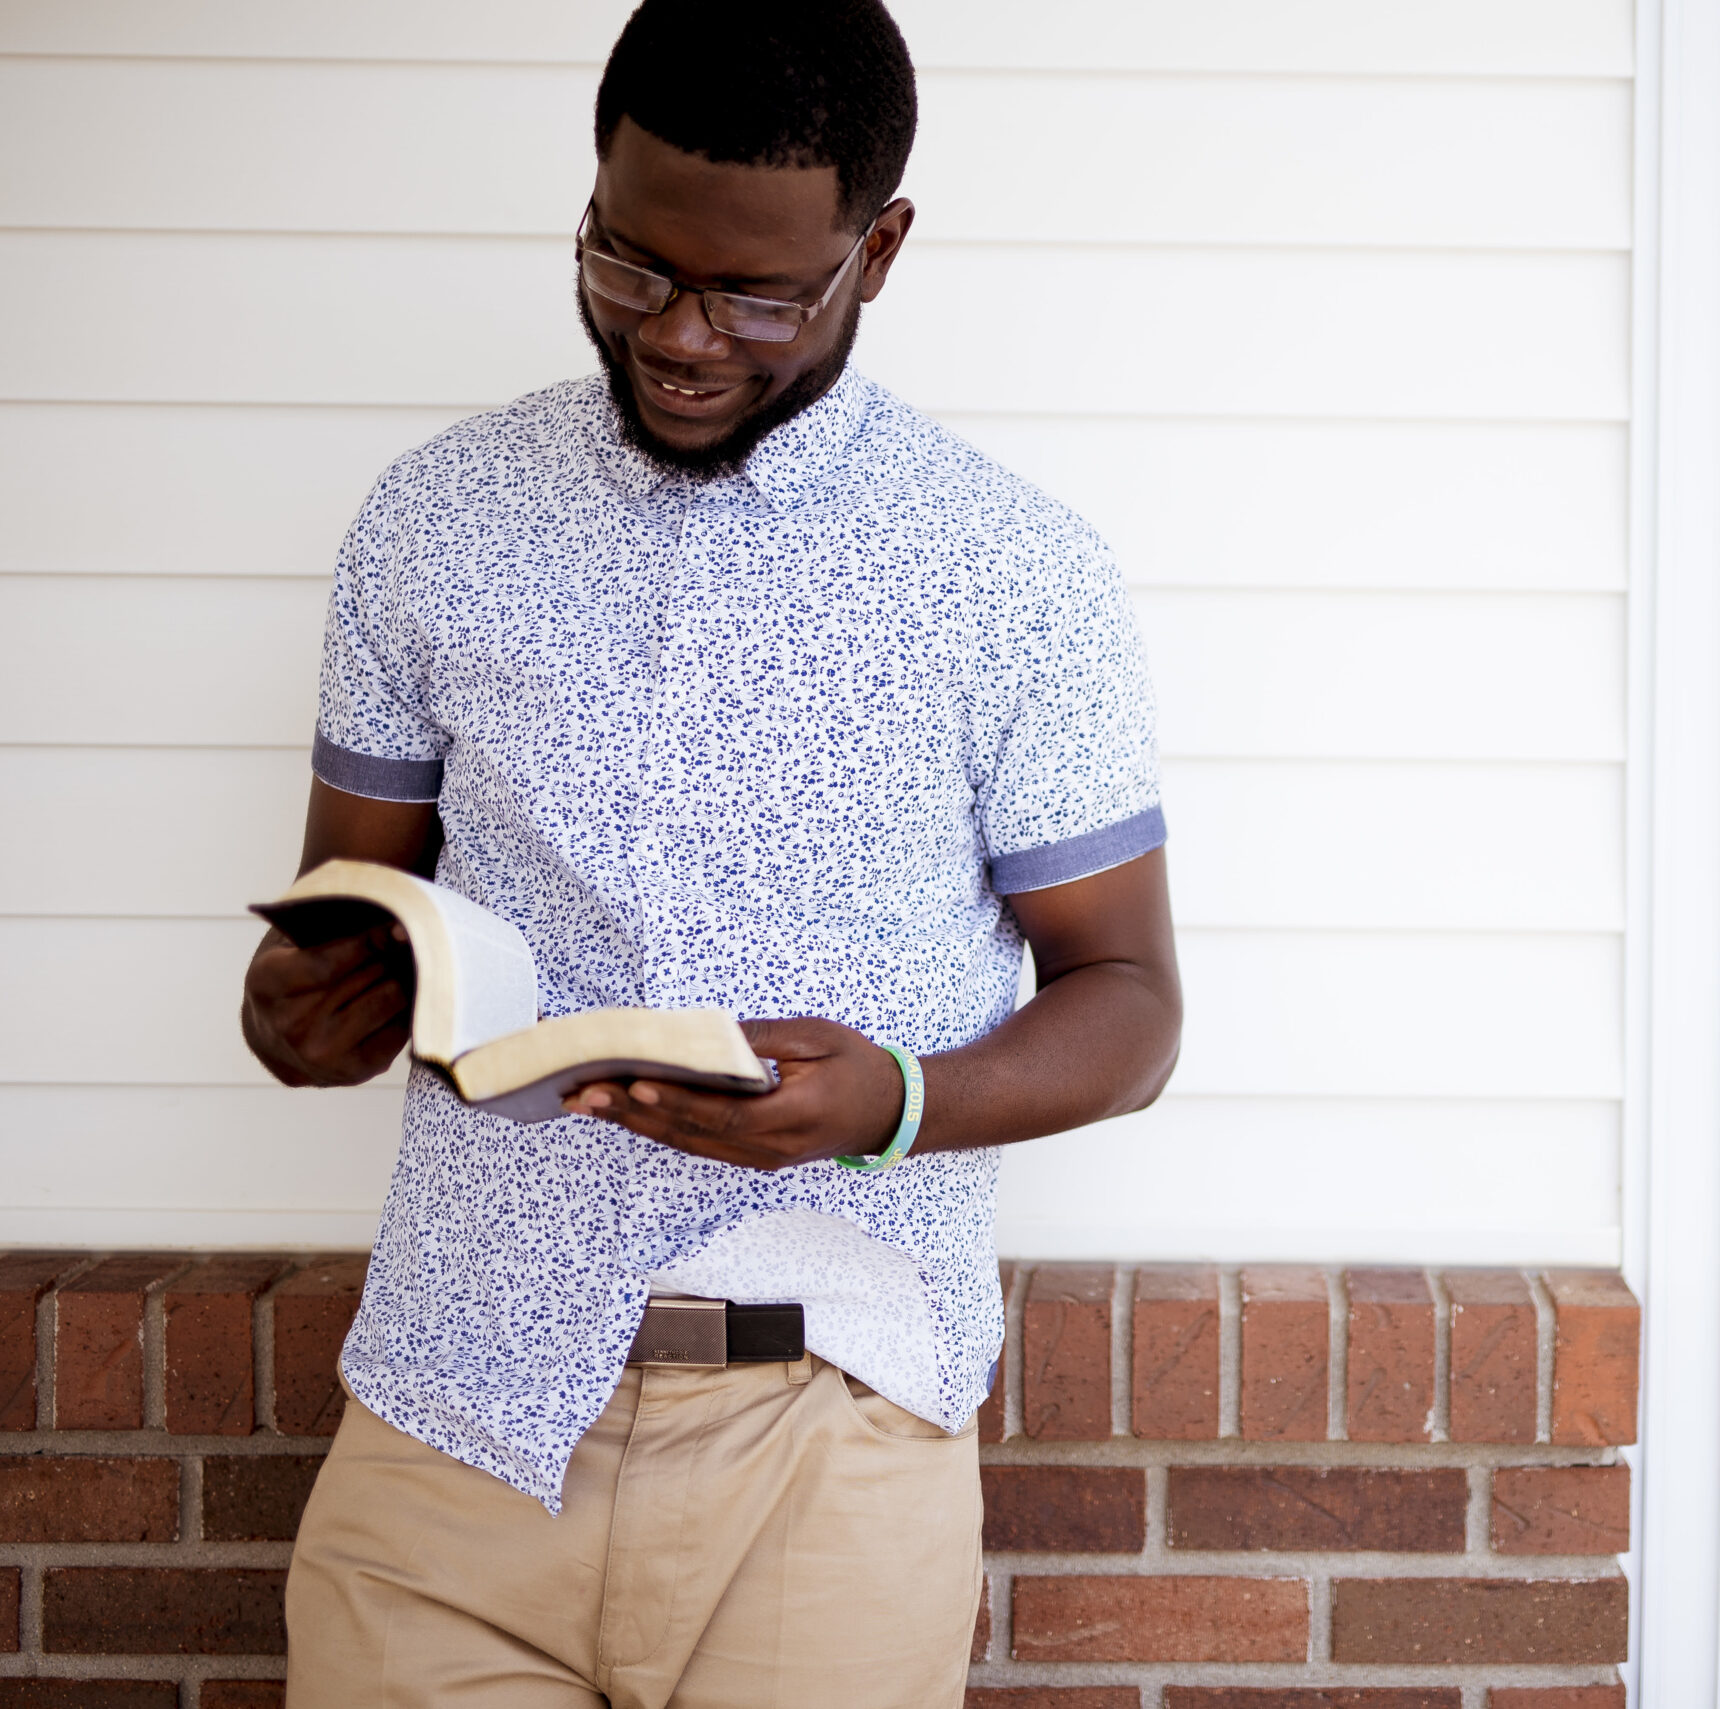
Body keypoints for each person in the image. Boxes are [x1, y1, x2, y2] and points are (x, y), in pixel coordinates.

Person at [236, 2, 1181, 1702]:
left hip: (831, 1434)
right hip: (454, 1425)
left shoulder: (1020, 577)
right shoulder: (429, 518)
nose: (680, 336)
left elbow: (1130, 1001)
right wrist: (304, 1011)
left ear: (876, 252)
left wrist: (892, 1101)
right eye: (630, 266)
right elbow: (343, 920)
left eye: (755, 293)